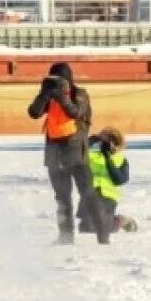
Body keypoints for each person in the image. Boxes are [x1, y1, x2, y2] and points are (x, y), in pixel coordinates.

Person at [27, 62, 110, 245]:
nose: (56, 83)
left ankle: (102, 235)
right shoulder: (49, 95)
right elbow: (34, 112)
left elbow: (76, 112)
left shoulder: (79, 94)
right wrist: (44, 94)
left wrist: (61, 95)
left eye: (59, 79)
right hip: (54, 153)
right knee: (62, 198)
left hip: (76, 152)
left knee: (88, 195)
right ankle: (66, 236)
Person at [77, 126, 138, 234]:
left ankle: (122, 221)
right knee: (85, 227)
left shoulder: (121, 160)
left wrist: (108, 157)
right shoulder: (92, 156)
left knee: (97, 226)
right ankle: (113, 221)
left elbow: (119, 179)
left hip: (108, 197)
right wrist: (90, 141)